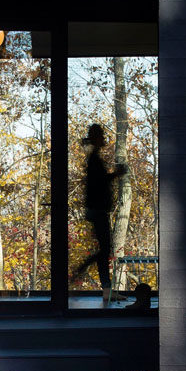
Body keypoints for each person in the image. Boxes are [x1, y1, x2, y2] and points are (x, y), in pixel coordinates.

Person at [72, 122, 126, 308]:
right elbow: (99, 183)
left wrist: (113, 175)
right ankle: (82, 271)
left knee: (104, 251)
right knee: (105, 251)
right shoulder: (94, 159)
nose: (104, 139)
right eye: (101, 136)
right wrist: (116, 174)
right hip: (98, 209)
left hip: (96, 209)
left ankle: (107, 291)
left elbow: (97, 182)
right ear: (96, 138)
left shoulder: (93, 158)